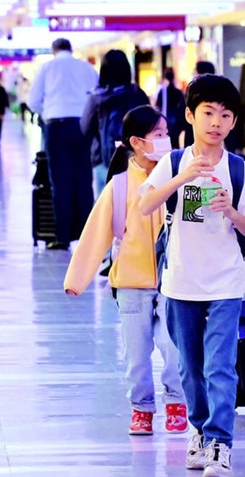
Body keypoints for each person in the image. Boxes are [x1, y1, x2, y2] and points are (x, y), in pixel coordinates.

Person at [139, 74, 245, 476]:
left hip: (226, 282)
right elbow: (145, 206)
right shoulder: (172, 162)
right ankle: (200, 430)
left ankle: (220, 442)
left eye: (225, 115)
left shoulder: (240, 169)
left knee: (220, 366)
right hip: (180, 282)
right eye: (208, 113)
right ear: (190, 115)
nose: (216, 122)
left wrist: (231, 211)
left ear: (233, 123)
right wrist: (182, 177)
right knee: (189, 368)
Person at [63, 105, 187, 436]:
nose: (166, 140)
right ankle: (142, 408)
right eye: (158, 135)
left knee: (174, 347)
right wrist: (77, 280)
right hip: (131, 284)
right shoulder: (119, 187)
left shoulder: (177, 176)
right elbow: (95, 234)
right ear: (137, 142)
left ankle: (177, 401)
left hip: (173, 280)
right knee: (136, 354)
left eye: (166, 134)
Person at [28, 38, 99, 251]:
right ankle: (89, 237)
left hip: (56, 128)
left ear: (54, 50)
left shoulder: (47, 68)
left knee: (60, 182)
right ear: (70, 49)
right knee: (84, 180)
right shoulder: (86, 68)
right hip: (81, 127)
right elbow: (96, 96)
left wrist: (46, 112)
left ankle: (62, 236)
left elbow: (32, 102)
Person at [82, 49, 149, 196]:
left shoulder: (96, 98)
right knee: (133, 205)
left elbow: (85, 127)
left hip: (103, 160)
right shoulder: (138, 95)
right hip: (136, 160)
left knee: (105, 207)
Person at [156, 68, 187, 149]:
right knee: (174, 143)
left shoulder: (162, 91)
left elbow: (158, 106)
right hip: (176, 121)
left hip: (165, 119)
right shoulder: (178, 92)